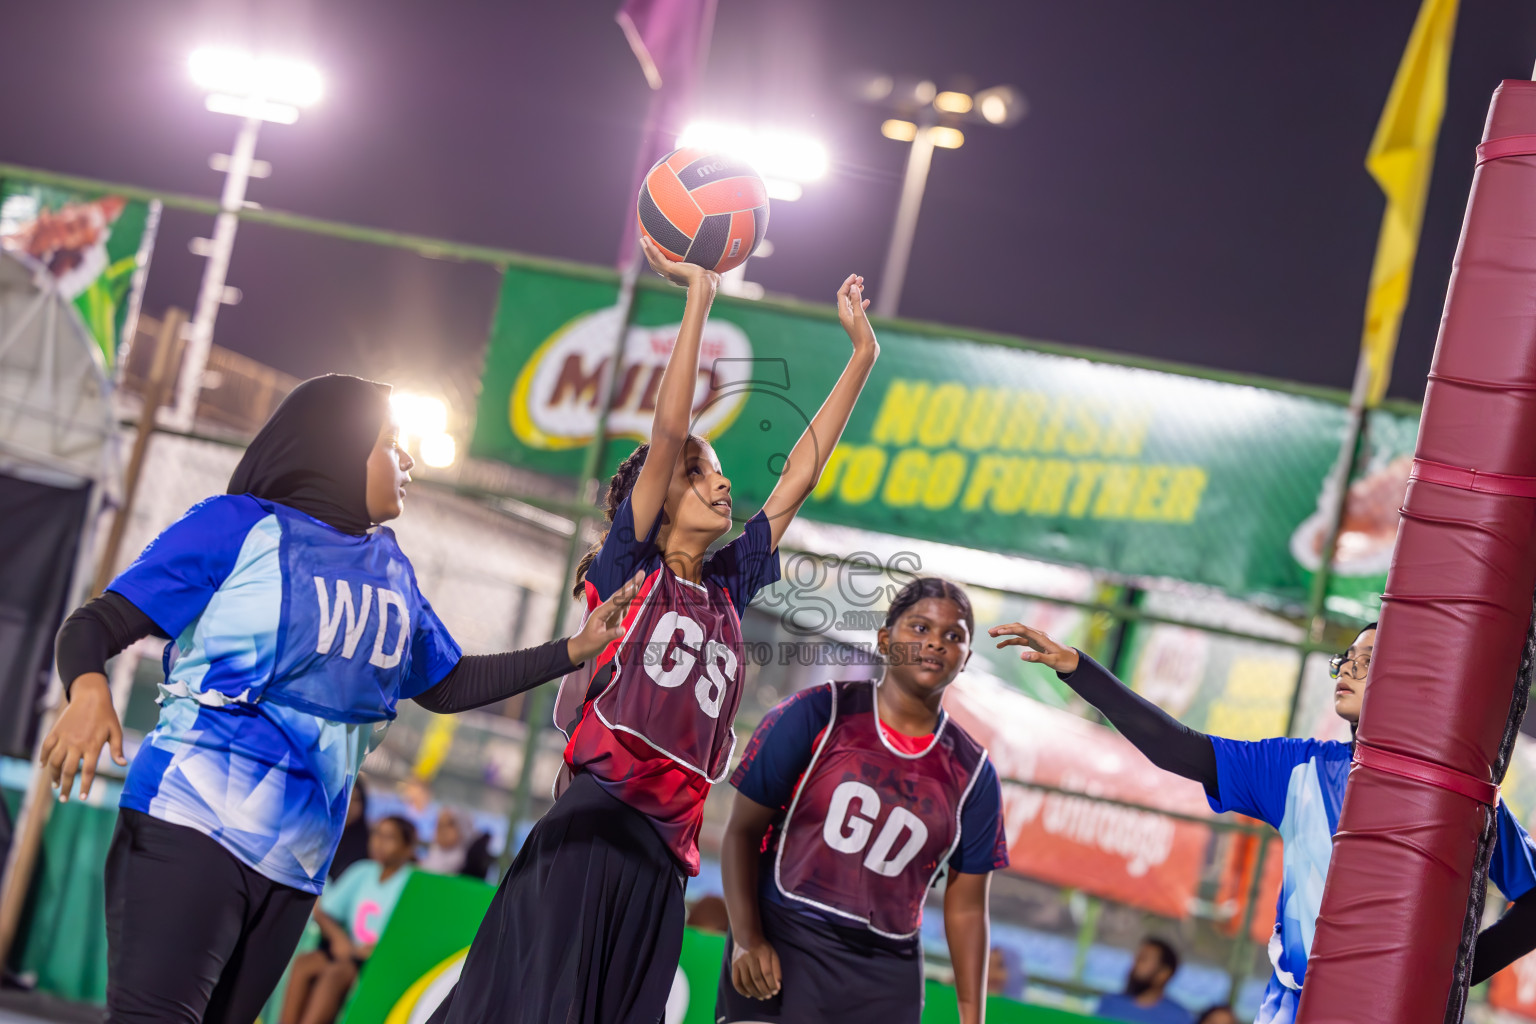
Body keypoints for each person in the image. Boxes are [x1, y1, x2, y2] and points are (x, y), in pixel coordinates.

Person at [42, 373, 643, 1024]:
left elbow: (447, 684)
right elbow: (95, 624)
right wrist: (89, 690)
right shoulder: (237, 527)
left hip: (297, 863)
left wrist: (573, 650)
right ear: (336, 448)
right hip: (191, 821)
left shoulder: (390, 566)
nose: (408, 460)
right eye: (391, 444)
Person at [431, 238, 881, 1024]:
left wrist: (862, 356)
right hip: (591, 830)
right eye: (699, 474)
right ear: (658, 496)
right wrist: (699, 298)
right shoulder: (629, 566)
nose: (721, 481)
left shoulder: (731, 588)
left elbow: (798, 474)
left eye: (717, 473)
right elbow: (668, 434)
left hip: (665, 862)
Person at [986, 620, 1536, 1024]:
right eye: (1345, 658)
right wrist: (1080, 671)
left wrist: (1458, 976)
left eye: (1367, 660)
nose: (1346, 667)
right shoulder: (1295, 768)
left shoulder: (1460, 797)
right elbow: (1179, 750)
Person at [717, 578, 1008, 1024]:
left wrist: (974, 1018)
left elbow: (967, 905)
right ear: (886, 639)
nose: (935, 643)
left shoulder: (974, 775)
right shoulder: (816, 714)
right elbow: (742, 831)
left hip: (884, 979)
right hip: (783, 939)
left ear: (966, 657)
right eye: (920, 628)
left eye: (954, 636)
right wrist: (746, 937)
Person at [280, 815, 418, 1024]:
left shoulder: (412, 883)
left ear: (408, 847)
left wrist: (376, 950)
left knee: (334, 976)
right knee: (304, 963)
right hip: (349, 951)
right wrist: (338, 938)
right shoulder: (363, 871)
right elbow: (323, 911)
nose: (379, 843)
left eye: (389, 838)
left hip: (376, 960)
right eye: (377, 834)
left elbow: (410, 934)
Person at [1094, 937, 1190, 1024]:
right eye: (1136, 959)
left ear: (1163, 974)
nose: (1134, 965)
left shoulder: (1179, 1018)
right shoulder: (1110, 1003)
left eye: (1142, 959)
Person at [329, 777, 371, 882]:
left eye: (355, 800)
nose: (349, 805)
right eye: (345, 798)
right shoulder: (316, 834)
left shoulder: (369, 843)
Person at [419, 807, 472, 875]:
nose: (441, 831)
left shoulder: (463, 862)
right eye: (439, 825)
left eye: (448, 825)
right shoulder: (434, 850)